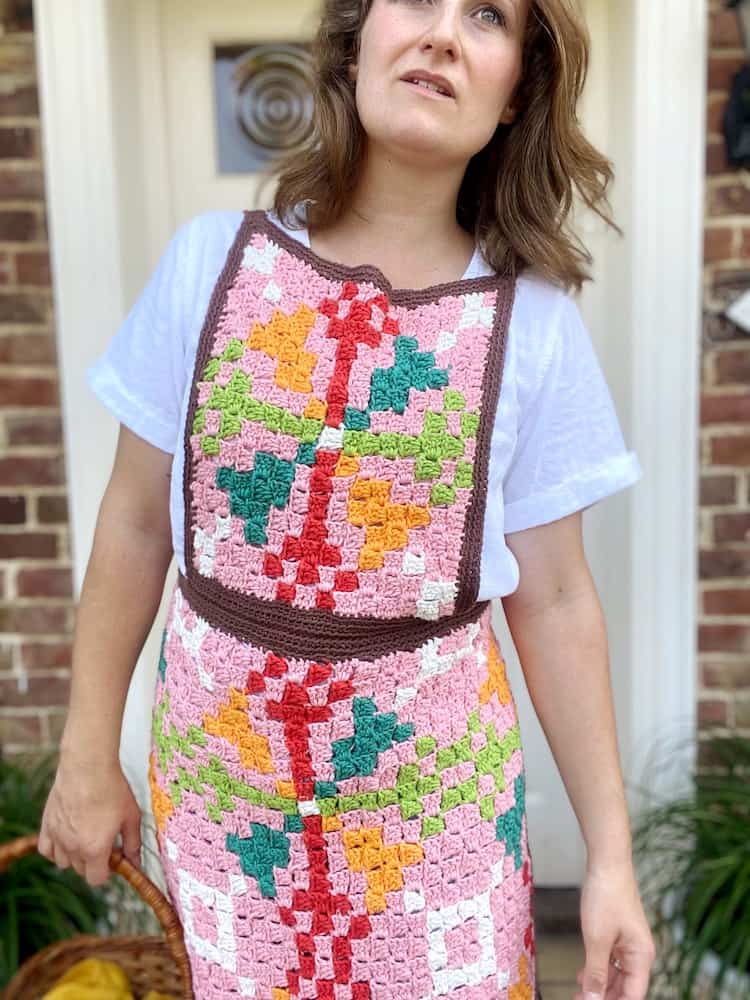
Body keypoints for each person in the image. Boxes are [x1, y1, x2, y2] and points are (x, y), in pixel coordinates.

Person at [39, 0, 657, 998]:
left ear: (515, 93)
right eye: (416, 0)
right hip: (227, 810)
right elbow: (138, 521)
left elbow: (555, 601)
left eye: (488, 16)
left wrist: (613, 862)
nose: (444, 34)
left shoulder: (534, 330)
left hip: (435, 821)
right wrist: (85, 751)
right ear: (355, 39)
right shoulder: (211, 264)